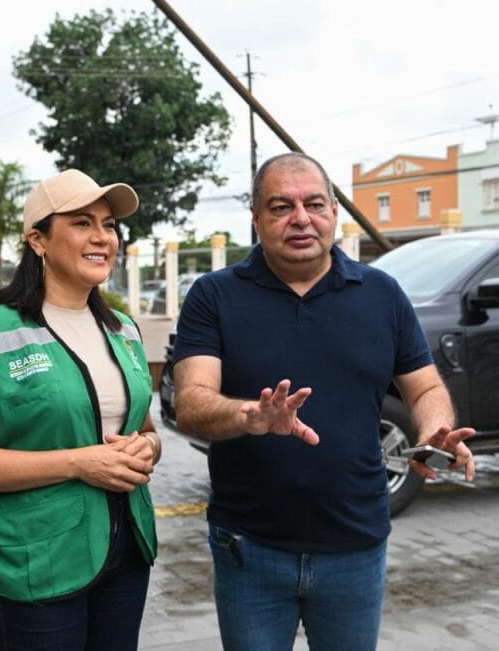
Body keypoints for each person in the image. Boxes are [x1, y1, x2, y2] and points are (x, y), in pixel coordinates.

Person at [172, 152, 476, 650]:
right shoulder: (214, 295)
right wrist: (249, 415)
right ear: (255, 217)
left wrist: (433, 430)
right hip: (250, 546)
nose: (300, 218)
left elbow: (424, 387)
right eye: (280, 206)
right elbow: (192, 402)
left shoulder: (382, 294)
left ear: (335, 211)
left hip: (355, 546)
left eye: (314, 203)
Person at [0, 169, 161, 650]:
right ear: (37, 239)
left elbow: (145, 430)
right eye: (82, 223)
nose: (102, 237)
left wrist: (146, 450)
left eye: (108, 224)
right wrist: (79, 463)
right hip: (38, 556)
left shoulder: (124, 329)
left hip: (125, 550)